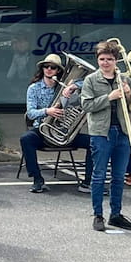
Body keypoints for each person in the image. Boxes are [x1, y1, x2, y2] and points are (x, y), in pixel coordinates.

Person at [80, 41, 131, 232]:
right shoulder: (91, 80)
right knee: (99, 175)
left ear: (116, 60)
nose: (105, 63)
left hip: (122, 131)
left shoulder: (124, 78)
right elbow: (86, 105)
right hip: (101, 133)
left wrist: (130, 94)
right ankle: (98, 215)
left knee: (119, 177)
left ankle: (116, 215)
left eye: (109, 59)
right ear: (97, 60)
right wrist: (110, 97)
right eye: (102, 59)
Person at [20, 54, 92, 193]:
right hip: (42, 131)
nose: (49, 69)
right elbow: (30, 113)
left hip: (64, 133)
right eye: (46, 66)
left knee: (94, 142)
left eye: (53, 67)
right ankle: (37, 180)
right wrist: (48, 111)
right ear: (42, 69)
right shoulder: (34, 88)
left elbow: (89, 83)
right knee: (26, 139)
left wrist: (73, 86)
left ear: (58, 71)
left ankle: (88, 182)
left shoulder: (65, 86)